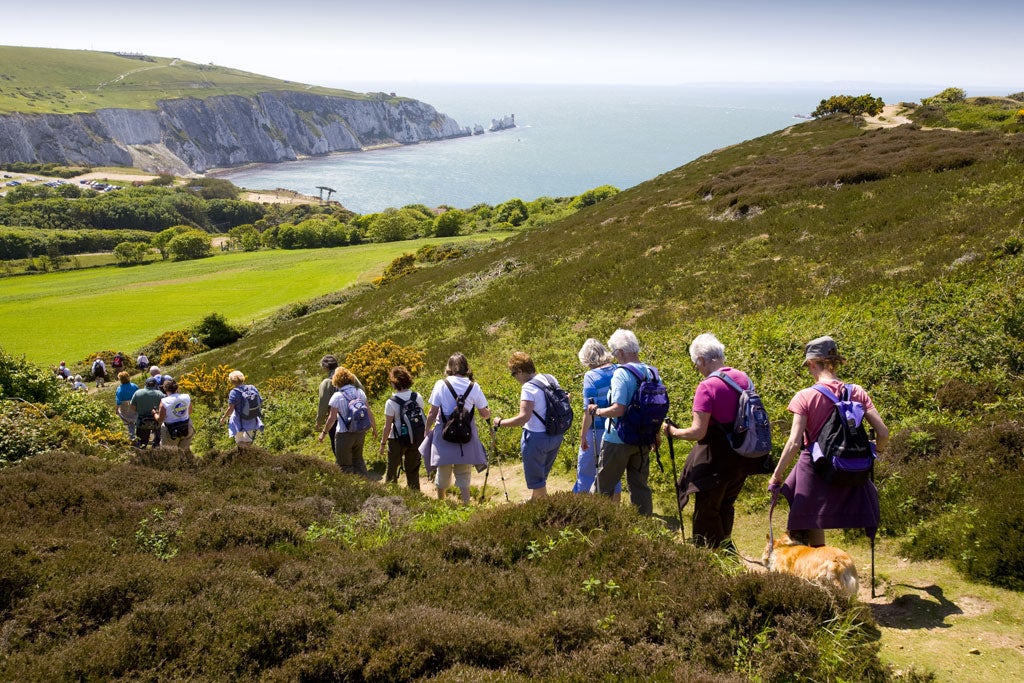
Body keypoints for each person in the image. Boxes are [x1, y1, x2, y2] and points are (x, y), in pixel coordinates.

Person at [768, 336, 889, 547]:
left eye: (808, 366)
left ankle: (817, 569)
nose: (809, 370)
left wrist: (777, 475)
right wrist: (874, 451)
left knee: (811, 521)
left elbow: (794, 443)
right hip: (852, 468)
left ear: (813, 362)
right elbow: (883, 432)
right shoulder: (858, 392)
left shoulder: (804, 397)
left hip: (815, 468)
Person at [664, 333, 771, 548]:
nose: (698, 370)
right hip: (743, 455)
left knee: (707, 510)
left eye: (696, 365)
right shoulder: (744, 378)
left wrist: (673, 432)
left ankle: (710, 558)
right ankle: (725, 551)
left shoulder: (707, 387)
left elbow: (698, 432)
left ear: (701, 360)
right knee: (726, 505)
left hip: (716, 460)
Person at [586, 329, 656, 516]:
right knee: (640, 486)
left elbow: (619, 409)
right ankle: (645, 528)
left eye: (615, 352)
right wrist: (655, 435)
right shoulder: (651, 372)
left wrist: (597, 411)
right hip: (643, 439)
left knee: (603, 486)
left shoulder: (621, 373)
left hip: (618, 439)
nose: (615, 357)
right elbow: (655, 408)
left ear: (622, 352)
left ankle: (599, 524)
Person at [492, 352, 566, 500]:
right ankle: (534, 501)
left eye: (513, 374)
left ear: (519, 371)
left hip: (536, 438)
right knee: (541, 475)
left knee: (537, 480)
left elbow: (523, 418)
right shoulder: (550, 378)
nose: (515, 378)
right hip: (556, 435)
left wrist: (500, 423)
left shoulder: (528, 387)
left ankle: (541, 512)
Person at [420, 352, 491, 504]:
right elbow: (484, 413)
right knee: (464, 471)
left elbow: (432, 412)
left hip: (444, 433)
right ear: (466, 367)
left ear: (449, 367)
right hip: (465, 434)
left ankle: (441, 503)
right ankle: (466, 504)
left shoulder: (441, 384)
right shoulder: (474, 386)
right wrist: (489, 414)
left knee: (443, 469)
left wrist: (427, 430)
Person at [573, 338, 621, 500]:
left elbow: (588, 411)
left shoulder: (591, 376)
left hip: (598, 428)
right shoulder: (618, 369)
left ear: (587, 359)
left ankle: (586, 507)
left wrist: (582, 436)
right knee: (613, 470)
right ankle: (617, 511)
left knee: (586, 470)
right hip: (617, 427)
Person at [317, 366, 377, 476]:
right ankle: (368, 488)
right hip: (360, 433)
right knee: (358, 460)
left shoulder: (337, 396)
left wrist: (324, 433)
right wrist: (374, 428)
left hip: (344, 435)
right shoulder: (360, 393)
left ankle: (350, 490)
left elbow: (332, 418)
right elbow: (368, 411)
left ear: (336, 380)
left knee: (344, 465)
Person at [378, 366, 425, 490]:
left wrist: (382, 444)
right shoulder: (417, 396)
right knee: (413, 469)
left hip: (396, 439)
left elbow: (387, 426)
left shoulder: (391, 402)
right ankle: (414, 495)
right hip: (415, 437)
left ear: (394, 383)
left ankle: (391, 495)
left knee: (392, 469)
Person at [316, 354, 366, 459]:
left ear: (326, 367)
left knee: (338, 447)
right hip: (355, 415)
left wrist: (319, 421)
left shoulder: (326, 383)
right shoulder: (351, 377)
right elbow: (362, 389)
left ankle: (345, 470)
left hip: (337, 420)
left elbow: (323, 404)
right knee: (355, 445)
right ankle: (357, 467)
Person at [219, 370, 264, 444]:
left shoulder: (234, 392)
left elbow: (230, 409)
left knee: (240, 441)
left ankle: (242, 454)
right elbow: (261, 401)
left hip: (238, 420)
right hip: (251, 418)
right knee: (248, 440)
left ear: (232, 381)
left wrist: (223, 418)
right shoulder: (252, 387)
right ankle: (249, 454)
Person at [156, 377, 194, 452]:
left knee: (169, 453)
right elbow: (190, 411)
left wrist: (154, 413)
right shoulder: (186, 397)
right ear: (177, 387)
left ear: (165, 389)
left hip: (171, 430)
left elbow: (160, 419)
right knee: (184, 452)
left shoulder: (164, 401)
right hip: (187, 427)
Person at [130, 376, 164, 448]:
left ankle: (142, 456)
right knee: (157, 442)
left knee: (141, 443)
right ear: (155, 385)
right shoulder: (160, 394)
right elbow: (164, 408)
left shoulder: (138, 393)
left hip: (142, 422)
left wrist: (140, 410)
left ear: (145, 384)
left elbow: (132, 408)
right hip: (156, 421)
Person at [114, 371, 139, 441]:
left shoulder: (119, 389)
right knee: (134, 420)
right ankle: (136, 434)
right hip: (135, 409)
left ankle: (131, 436)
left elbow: (118, 402)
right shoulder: (134, 386)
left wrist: (116, 410)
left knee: (127, 421)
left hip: (125, 411)